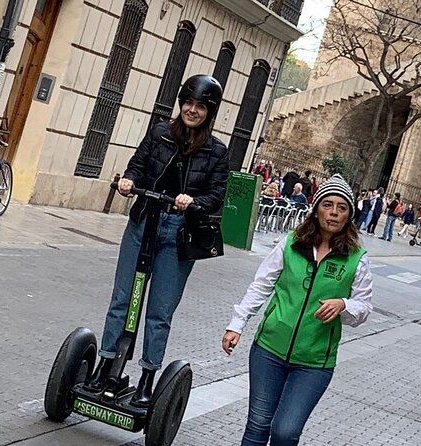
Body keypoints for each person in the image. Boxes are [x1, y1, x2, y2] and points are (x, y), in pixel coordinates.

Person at [85, 75, 229, 406]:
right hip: (144, 220)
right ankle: (106, 365)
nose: (192, 110)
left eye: (200, 106)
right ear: (181, 104)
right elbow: (137, 165)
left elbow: (215, 195)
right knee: (122, 299)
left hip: (179, 234)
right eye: (188, 103)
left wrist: (193, 202)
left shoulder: (217, 151)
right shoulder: (160, 133)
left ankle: (148, 377)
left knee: (159, 311)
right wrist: (129, 181)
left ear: (210, 111)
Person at [222, 174, 373, 446]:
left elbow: (363, 307)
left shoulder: (356, 259)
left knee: (285, 431)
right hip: (269, 349)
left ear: (349, 215)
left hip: (314, 363)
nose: (334, 213)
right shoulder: (291, 243)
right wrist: (237, 323)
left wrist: (344, 304)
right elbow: (261, 285)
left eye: (342, 207)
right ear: (316, 209)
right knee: (257, 425)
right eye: (328, 205)